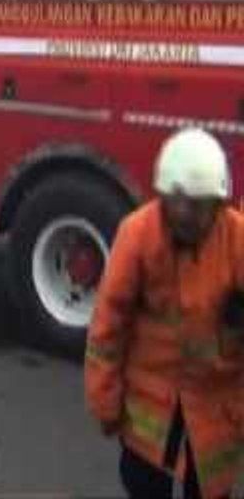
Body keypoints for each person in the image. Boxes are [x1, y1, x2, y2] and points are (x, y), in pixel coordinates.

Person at [85, 127, 244, 499]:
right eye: (178, 201)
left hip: (215, 412)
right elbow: (108, 327)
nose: (187, 214)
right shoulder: (138, 235)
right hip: (150, 412)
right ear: (162, 195)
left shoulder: (236, 242)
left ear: (218, 204)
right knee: (143, 487)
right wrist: (104, 401)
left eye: (199, 204)